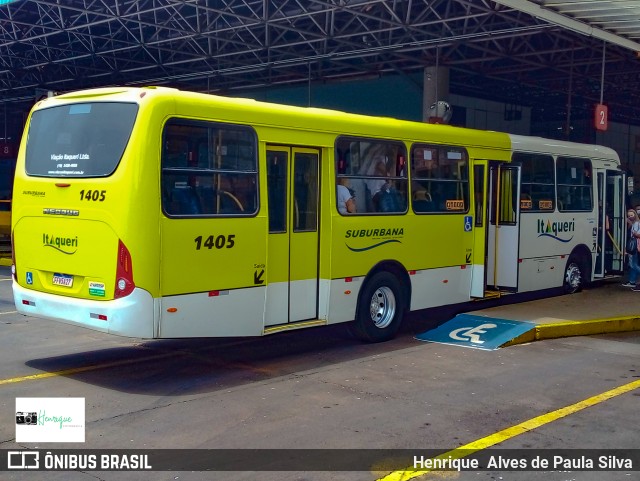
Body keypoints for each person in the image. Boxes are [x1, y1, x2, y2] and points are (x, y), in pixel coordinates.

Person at [622, 209, 640, 290]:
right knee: (633, 264)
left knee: (633, 264)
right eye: (629, 216)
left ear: (635, 215)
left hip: (634, 246)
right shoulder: (635, 223)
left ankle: (632, 281)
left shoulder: (636, 224)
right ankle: (632, 281)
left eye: (631, 215)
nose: (630, 217)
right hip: (636, 246)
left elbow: (635, 234)